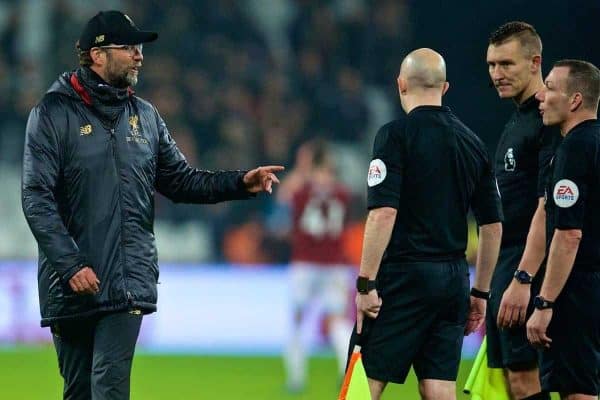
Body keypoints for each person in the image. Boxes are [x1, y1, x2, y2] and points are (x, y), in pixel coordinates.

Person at [21, 10, 283, 400]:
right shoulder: (52, 114)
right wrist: (71, 264)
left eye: (139, 47)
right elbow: (35, 197)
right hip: (71, 286)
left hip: (126, 280)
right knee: (78, 392)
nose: (139, 55)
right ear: (97, 54)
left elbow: (181, 181)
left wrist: (238, 183)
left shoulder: (145, 117)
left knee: (108, 387)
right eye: (128, 47)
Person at [348, 48, 503, 400]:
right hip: (453, 279)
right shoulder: (473, 143)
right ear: (445, 88)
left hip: (405, 275)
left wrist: (365, 284)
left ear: (400, 85)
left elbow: (383, 213)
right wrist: (480, 293)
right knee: (438, 386)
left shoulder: (394, 136)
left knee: (364, 380)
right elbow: (492, 227)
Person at [485, 21, 561, 400]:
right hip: (510, 266)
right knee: (516, 382)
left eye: (506, 64)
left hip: (528, 270)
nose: (496, 74)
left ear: (535, 63)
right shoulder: (519, 119)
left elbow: (547, 206)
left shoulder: (549, 120)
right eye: (491, 65)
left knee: (529, 380)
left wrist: (524, 277)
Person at [527, 59, 600, 399]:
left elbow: (569, 234)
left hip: (579, 288)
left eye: (551, 88)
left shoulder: (573, 148)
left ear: (575, 101)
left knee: (577, 389)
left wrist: (544, 304)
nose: (541, 95)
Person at [279, 139, 354, 392]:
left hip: (305, 264)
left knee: (298, 320)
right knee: (336, 320)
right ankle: (347, 372)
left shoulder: (302, 191)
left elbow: (282, 195)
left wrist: (302, 168)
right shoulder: (343, 194)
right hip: (334, 266)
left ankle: (296, 379)